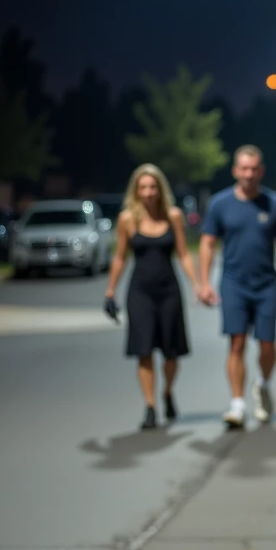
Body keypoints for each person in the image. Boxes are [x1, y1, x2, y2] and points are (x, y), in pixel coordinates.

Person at [199, 145, 276, 428]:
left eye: (254, 169)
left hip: (266, 283)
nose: (249, 174)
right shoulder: (220, 204)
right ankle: (237, 405)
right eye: (244, 168)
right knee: (236, 343)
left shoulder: (273, 204)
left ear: (261, 171)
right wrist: (204, 282)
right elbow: (207, 243)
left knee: (267, 345)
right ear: (235, 171)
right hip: (233, 283)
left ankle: (263, 384)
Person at [104, 164, 200, 429]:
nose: (148, 192)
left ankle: (167, 391)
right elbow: (120, 256)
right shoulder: (127, 219)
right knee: (143, 351)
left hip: (169, 290)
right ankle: (150, 406)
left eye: (152, 187)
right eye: (143, 188)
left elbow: (182, 253)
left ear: (160, 189)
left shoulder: (173, 216)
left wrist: (196, 284)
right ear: (136, 191)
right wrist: (110, 290)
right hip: (140, 291)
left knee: (172, 353)